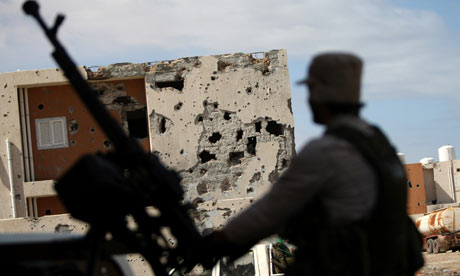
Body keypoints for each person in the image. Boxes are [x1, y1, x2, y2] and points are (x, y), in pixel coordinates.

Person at [203, 53, 423, 275]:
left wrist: (218, 240)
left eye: (310, 90)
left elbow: (269, 212)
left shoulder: (326, 151)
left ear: (319, 94)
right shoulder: (377, 142)